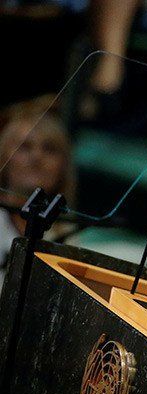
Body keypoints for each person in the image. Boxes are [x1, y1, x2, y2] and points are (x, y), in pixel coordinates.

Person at [0, 98, 75, 288]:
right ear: (3, 158)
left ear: (63, 166)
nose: (37, 157)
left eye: (49, 149)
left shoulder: (71, 237)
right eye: (25, 147)